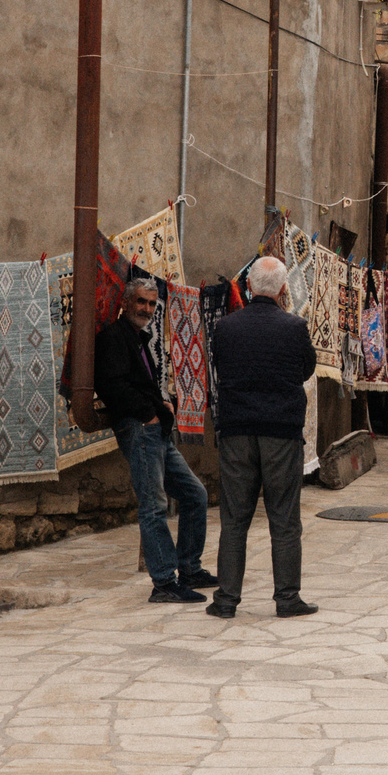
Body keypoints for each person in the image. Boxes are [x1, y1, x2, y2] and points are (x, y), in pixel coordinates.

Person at [204, 256, 319, 619]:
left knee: (234, 519)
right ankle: (287, 598)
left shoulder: (226, 327)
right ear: (284, 289)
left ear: (249, 287)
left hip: (237, 430)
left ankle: (225, 600)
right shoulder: (295, 327)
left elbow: (220, 367)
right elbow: (306, 369)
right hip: (281, 433)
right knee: (284, 519)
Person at [98, 272, 213, 603]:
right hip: (141, 428)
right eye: (141, 301)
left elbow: (138, 383)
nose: (147, 309)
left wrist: (160, 404)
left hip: (154, 428)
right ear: (126, 302)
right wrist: (147, 413)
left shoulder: (138, 337)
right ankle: (164, 582)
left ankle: (189, 568)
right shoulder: (114, 338)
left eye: (151, 303)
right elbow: (112, 385)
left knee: (194, 495)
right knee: (154, 504)